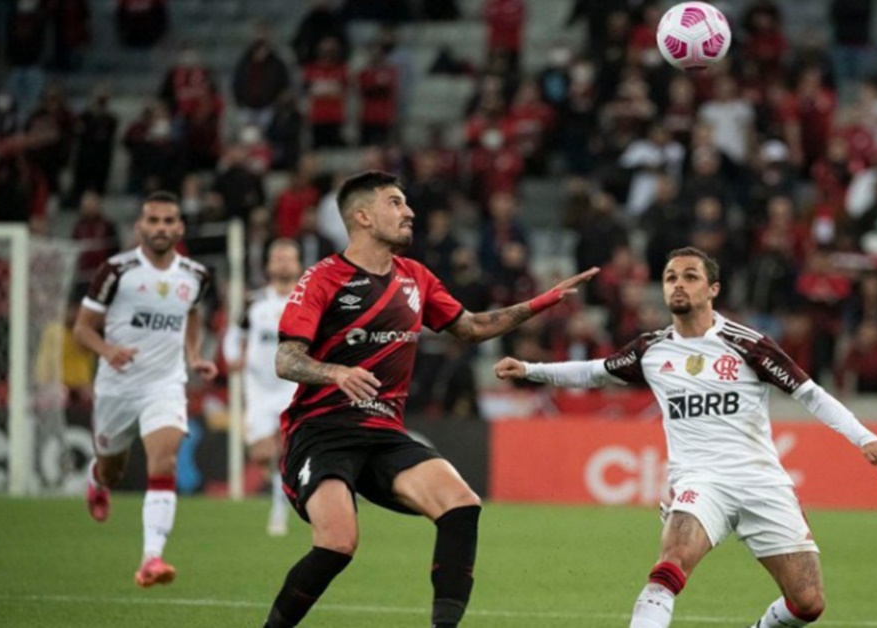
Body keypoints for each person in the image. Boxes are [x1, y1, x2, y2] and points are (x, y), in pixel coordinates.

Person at [494, 246, 877, 628]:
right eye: (670, 278)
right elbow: (595, 372)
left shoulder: (747, 345)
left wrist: (864, 438)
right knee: (670, 565)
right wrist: (530, 370)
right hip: (700, 483)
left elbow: (810, 394)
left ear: (713, 289)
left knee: (808, 603)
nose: (678, 284)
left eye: (690, 276)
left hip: (762, 482)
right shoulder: (651, 350)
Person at [262, 171, 597, 628]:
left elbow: (472, 328)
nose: (409, 212)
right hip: (322, 432)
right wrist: (335, 372)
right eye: (396, 203)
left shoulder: (415, 277)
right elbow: (286, 358)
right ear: (362, 216)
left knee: (461, 505)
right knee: (338, 544)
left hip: (383, 433)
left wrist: (540, 303)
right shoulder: (323, 278)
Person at [72, 191, 218, 587]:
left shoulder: (195, 275)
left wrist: (193, 354)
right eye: (153, 221)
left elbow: (192, 316)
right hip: (117, 384)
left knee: (165, 461)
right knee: (112, 469)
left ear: (180, 227)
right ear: (139, 226)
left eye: (169, 221)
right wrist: (108, 350)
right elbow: (82, 327)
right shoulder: (115, 271)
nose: (161, 228)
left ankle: (151, 558)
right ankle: (97, 478)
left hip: (165, 383)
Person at [223, 239, 303, 537]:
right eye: (277, 257)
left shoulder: (307, 300)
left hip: (293, 387)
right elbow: (233, 336)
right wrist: (233, 358)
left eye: (288, 257)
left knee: (285, 447)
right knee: (260, 455)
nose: (282, 262)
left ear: (298, 265)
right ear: (268, 265)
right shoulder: (254, 302)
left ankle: (279, 508)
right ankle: (281, 492)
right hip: (258, 388)